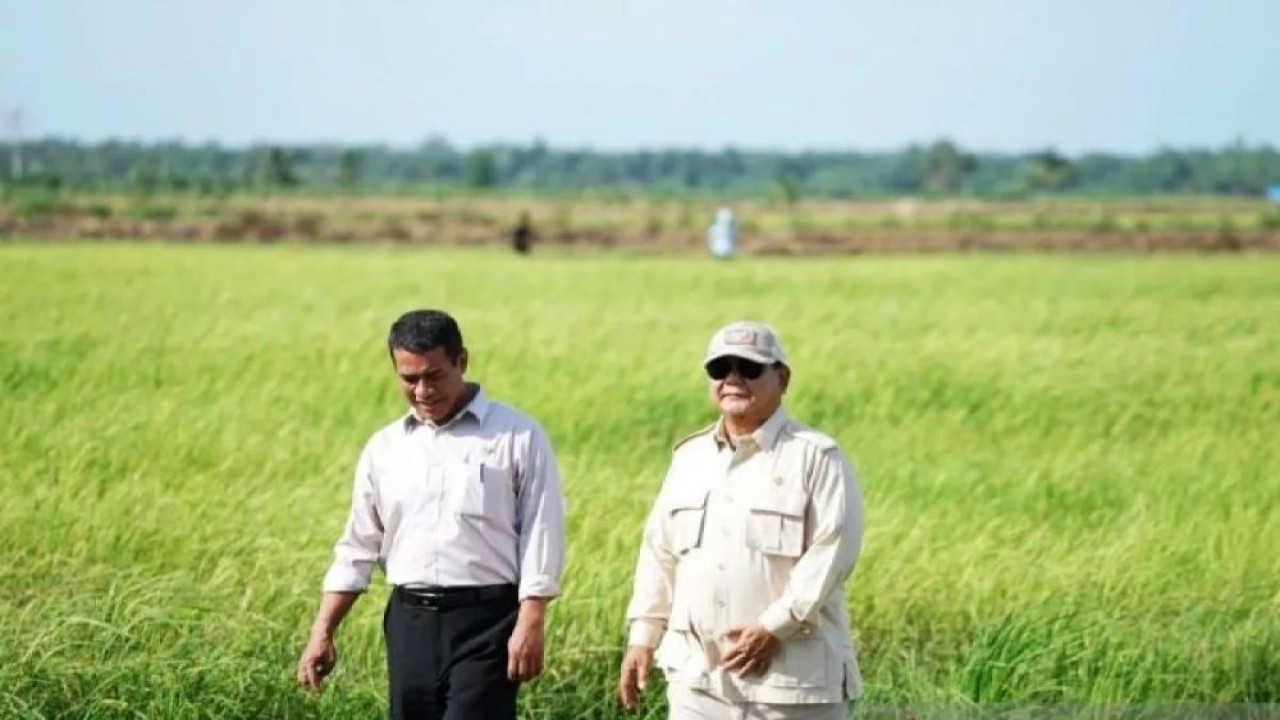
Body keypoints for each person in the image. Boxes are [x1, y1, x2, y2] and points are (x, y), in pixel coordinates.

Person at [296, 309, 567, 720]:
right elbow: (358, 545)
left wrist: (531, 620)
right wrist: (323, 631)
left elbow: (541, 532)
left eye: (434, 375)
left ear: (462, 361)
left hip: (487, 624)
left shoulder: (518, 436)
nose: (423, 390)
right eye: (409, 379)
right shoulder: (384, 449)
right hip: (410, 623)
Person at [619, 321, 865, 719]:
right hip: (698, 682)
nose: (733, 379)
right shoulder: (689, 458)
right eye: (720, 369)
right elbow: (659, 554)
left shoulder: (816, 458)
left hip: (792, 685)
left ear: (782, 378)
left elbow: (832, 555)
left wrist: (773, 628)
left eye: (749, 368)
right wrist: (643, 638)